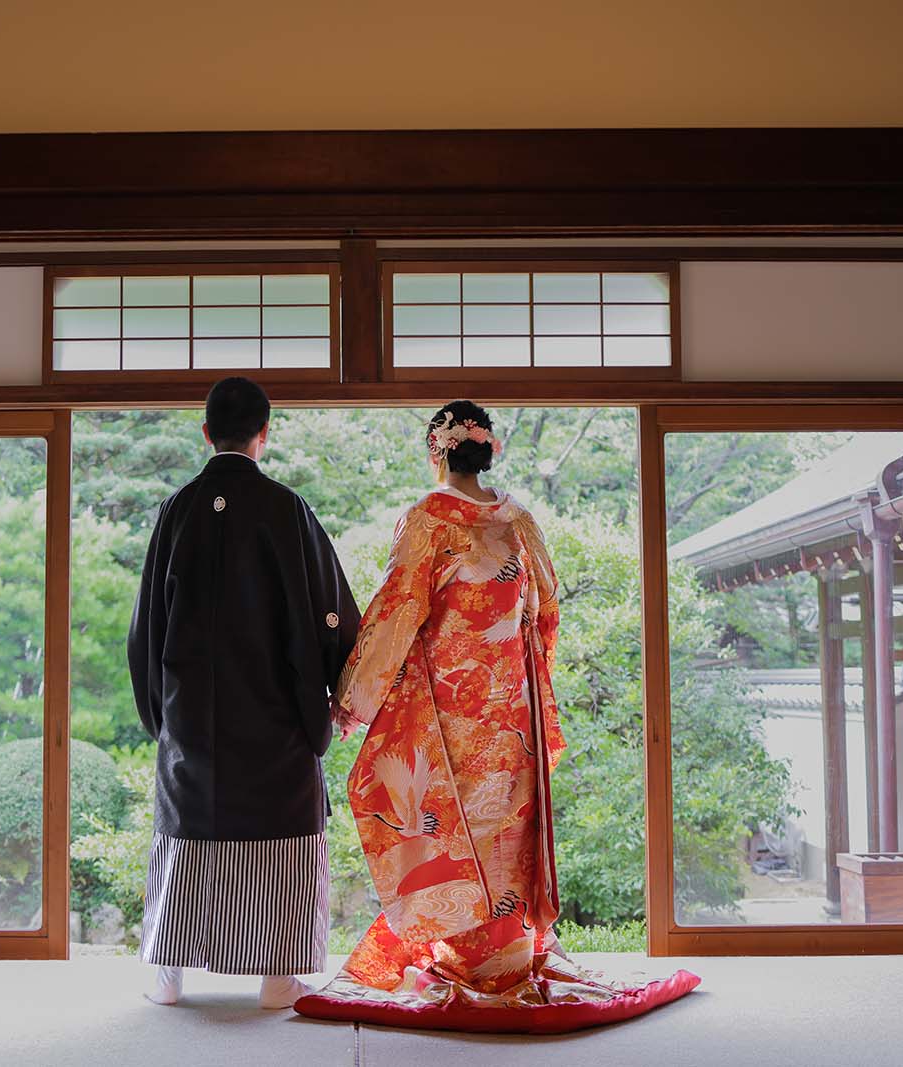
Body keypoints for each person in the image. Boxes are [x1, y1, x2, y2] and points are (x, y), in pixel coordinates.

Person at [295, 401, 699, 1033]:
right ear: (490, 452)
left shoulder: (430, 519)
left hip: (453, 711)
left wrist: (353, 699)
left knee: (460, 828)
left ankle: (471, 961)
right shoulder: (519, 520)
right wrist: (526, 680)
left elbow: (399, 612)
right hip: (512, 710)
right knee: (504, 829)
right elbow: (546, 613)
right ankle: (510, 957)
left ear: (437, 453)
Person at [127, 377, 360, 1009]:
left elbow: (148, 623)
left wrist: (162, 718)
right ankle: (278, 979)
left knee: (186, 834)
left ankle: (168, 976)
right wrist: (341, 694)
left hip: (192, 720)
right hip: (275, 717)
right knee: (281, 833)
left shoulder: (177, 509)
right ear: (266, 433)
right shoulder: (287, 509)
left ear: (206, 433)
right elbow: (331, 614)